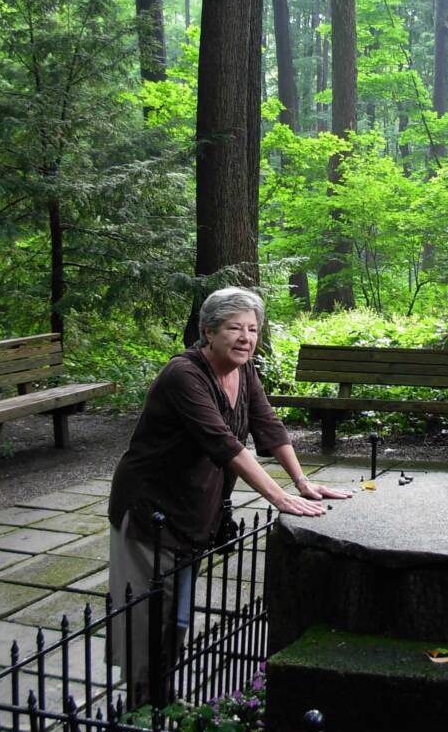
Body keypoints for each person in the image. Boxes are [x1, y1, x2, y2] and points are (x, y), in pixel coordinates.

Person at [107, 286, 350, 703]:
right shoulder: (184, 375)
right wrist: (278, 496)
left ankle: (161, 700)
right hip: (150, 511)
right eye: (234, 328)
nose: (245, 338)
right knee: (147, 619)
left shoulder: (245, 371)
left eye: (252, 329)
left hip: (192, 511)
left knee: (177, 617)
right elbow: (221, 442)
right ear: (208, 331)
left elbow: (268, 425)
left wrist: (302, 482)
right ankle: (141, 710)